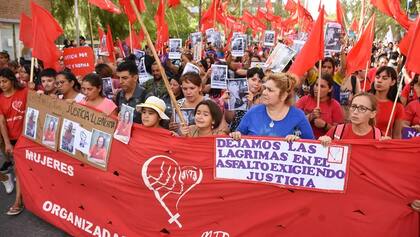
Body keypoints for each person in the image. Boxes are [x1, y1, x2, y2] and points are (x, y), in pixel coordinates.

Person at [230, 73, 314, 140]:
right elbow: (239, 134)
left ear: (283, 96)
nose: (264, 93)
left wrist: (298, 141)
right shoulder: (253, 112)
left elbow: (312, 145)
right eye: (265, 88)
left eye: (270, 90)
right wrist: (236, 135)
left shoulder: (298, 116)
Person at [0, 68, 27, 215]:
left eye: (4, 81)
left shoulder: (24, 92)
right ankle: (19, 199)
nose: (2, 85)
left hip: (28, 138)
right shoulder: (0, 99)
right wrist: (7, 142)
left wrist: (34, 91)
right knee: (18, 168)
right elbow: (1, 122)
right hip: (13, 139)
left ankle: (18, 201)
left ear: (12, 80)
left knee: (20, 169)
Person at [318, 92, 384, 145]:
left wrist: (388, 146)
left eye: (362, 108)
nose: (355, 112)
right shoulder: (337, 131)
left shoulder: (380, 137)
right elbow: (319, 153)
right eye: (353, 106)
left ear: (373, 114)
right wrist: (322, 142)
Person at [296, 73, 344, 138]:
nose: (317, 88)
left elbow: (338, 133)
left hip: (325, 144)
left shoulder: (335, 105)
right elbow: (293, 123)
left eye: (322, 86)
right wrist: (310, 116)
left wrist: (325, 125)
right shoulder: (304, 100)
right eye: (316, 85)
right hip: (304, 143)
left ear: (330, 89)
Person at [370, 66, 404, 138]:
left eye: (384, 78)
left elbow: (397, 135)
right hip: (363, 144)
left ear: (393, 82)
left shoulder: (397, 106)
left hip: (384, 146)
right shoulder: (365, 100)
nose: (379, 80)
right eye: (377, 77)